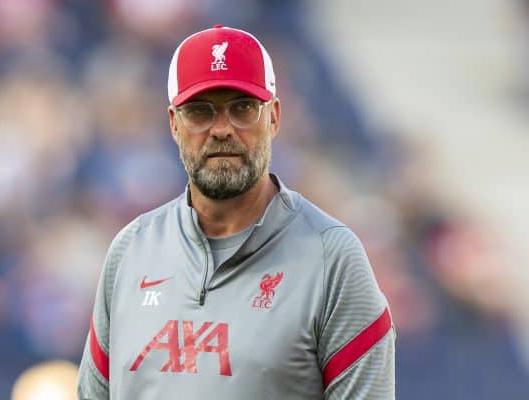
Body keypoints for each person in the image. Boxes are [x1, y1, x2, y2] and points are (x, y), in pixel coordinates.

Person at [77, 25, 395, 399]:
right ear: (174, 124)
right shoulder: (131, 250)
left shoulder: (331, 257)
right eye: (199, 111)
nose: (222, 129)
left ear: (274, 118)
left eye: (243, 108)